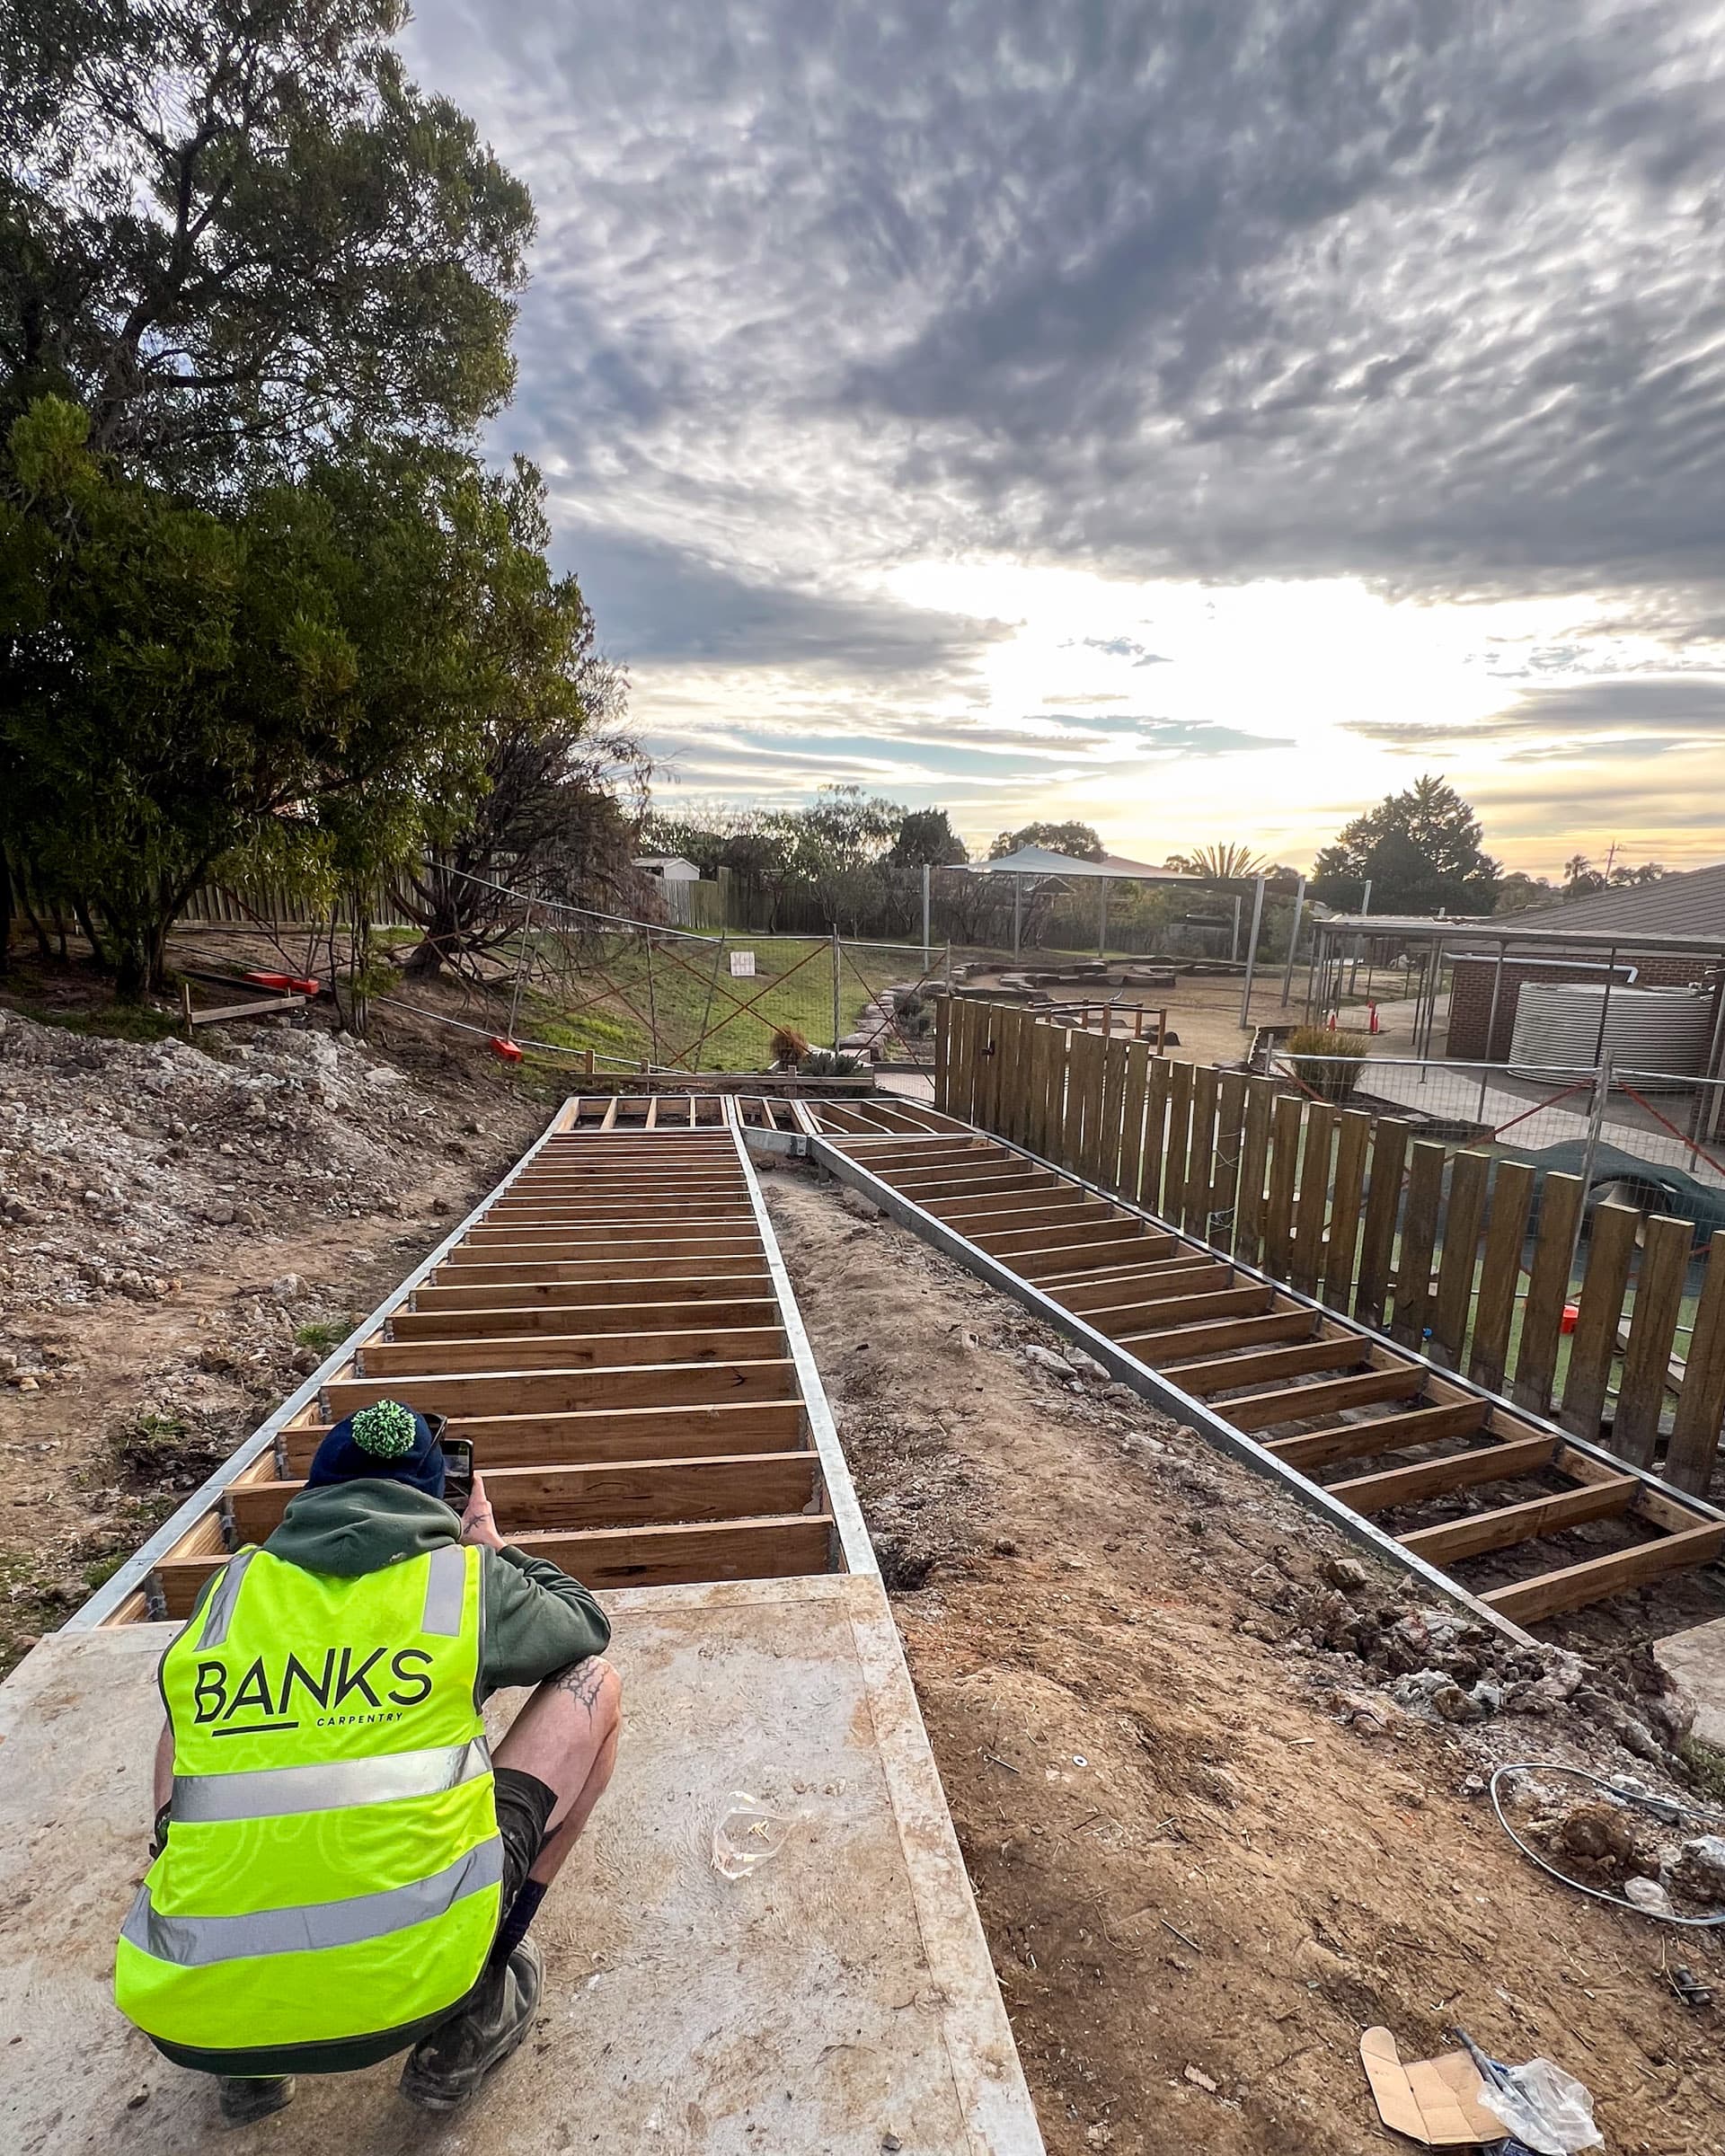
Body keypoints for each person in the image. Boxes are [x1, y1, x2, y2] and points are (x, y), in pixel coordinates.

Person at [114, 1398, 623, 2122]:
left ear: (316, 1491)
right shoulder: (463, 1580)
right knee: (594, 1685)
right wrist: (487, 1542)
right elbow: (584, 1622)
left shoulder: (234, 1588)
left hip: (185, 2009)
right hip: (418, 1983)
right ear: (438, 1494)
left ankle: (248, 2061)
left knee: (188, 1703)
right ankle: (475, 2009)